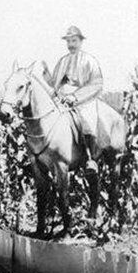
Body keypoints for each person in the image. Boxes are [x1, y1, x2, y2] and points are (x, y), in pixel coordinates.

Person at [44, 26, 104, 173]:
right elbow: (53, 84)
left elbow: (97, 84)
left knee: (86, 120)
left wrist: (75, 97)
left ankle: (89, 159)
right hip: (62, 100)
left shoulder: (89, 61)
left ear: (81, 42)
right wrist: (45, 75)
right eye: (69, 41)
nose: (71, 44)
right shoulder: (62, 61)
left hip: (83, 100)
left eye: (74, 41)